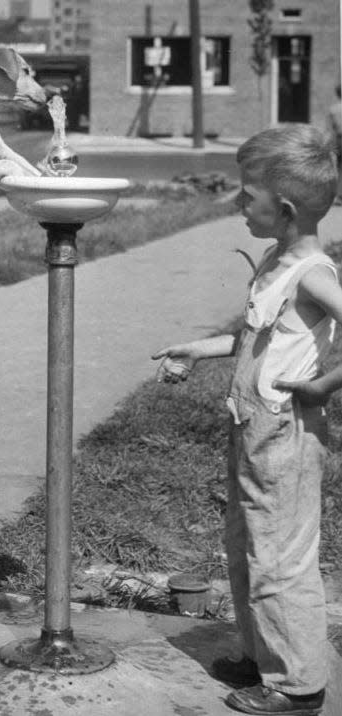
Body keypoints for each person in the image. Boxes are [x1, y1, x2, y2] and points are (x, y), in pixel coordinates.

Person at [152, 124, 341, 715]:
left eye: (246, 195)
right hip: (251, 430)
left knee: (280, 557)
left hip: (284, 431)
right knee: (247, 545)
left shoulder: (312, 272)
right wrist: (197, 349)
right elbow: (255, 336)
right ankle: (266, 656)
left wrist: (325, 383)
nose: (238, 204)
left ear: (283, 209)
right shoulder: (274, 258)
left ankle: (299, 684)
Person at [327, 84, 342, 202]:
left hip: (338, 140)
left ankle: (338, 194)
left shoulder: (333, 109)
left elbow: (330, 129)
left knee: (337, 167)